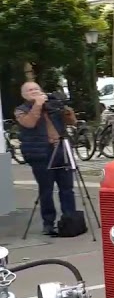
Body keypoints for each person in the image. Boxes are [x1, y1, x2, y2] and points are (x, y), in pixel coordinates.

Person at [13, 82, 78, 236]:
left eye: (36, 89)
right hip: (40, 154)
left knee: (67, 188)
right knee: (46, 189)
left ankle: (70, 219)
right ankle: (48, 223)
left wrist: (64, 108)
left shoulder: (53, 106)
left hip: (61, 150)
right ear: (24, 95)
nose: (34, 91)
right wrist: (38, 105)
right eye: (30, 90)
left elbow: (71, 122)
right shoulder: (21, 110)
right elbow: (29, 123)